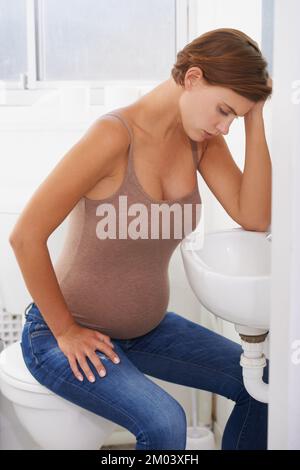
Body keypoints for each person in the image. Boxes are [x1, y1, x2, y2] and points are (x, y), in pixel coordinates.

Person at [10, 28, 272, 450]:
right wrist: (65, 331)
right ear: (193, 78)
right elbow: (26, 236)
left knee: (263, 384)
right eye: (224, 110)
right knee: (166, 421)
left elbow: (254, 217)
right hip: (63, 335)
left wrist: (255, 117)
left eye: (234, 118)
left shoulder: (199, 142)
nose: (224, 127)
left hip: (147, 331)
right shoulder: (113, 136)